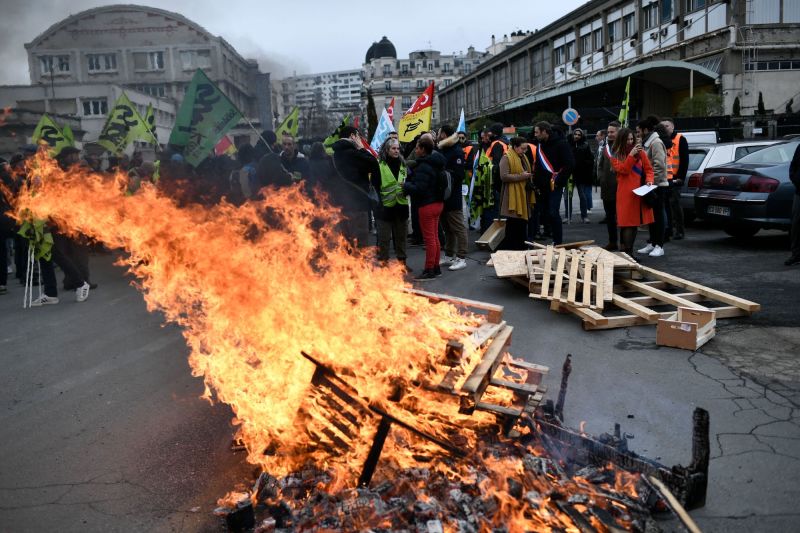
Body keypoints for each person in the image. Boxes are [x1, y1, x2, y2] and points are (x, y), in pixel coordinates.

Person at [402, 136, 446, 280]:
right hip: (438, 203)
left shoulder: (424, 166)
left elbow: (419, 188)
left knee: (429, 240)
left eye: (417, 148)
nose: (415, 150)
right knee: (434, 238)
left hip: (427, 205)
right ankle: (436, 267)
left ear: (423, 150)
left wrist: (406, 186)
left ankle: (429, 270)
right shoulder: (437, 163)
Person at [331, 126, 380, 247]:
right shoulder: (354, 153)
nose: (360, 139)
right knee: (360, 245)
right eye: (359, 136)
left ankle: (346, 266)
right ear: (353, 136)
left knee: (346, 244)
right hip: (358, 206)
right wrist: (362, 149)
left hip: (341, 206)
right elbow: (373, 163)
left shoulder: (334, 155)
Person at [609, 128, 655, 256]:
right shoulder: (615, 155)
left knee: (633, 224)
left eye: (631, 139)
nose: (630, 142)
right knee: (626, 223)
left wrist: (649, 181)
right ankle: (626, 253)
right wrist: (631, 156)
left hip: (640, 192)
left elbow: (649, 169)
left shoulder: (641, 153)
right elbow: (624, 170)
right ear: (621, 140)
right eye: (627, 139)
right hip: (625, 193)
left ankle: (628, 252)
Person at [532, 121, 575, 246]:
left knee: (553, 212)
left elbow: (570, 164)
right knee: (544, 213)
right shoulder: (539, 145)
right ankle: (548, 235)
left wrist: (559, 180)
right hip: (541, 186)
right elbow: (539, 166)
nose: (535, 135)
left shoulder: (561, 144)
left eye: (537, 132)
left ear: (545, 131)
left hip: (555, 184)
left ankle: (558, 241)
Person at [436, 125, 468, 271]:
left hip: (452, 196)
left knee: (458, 227)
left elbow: (458, 175)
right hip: (443, 195)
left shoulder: (456, 151)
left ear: (444, 134)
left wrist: (444, 176)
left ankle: (462, 257)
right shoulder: (443, 149)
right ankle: (449, 255)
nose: (437, 135)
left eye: (439, 133)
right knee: (447, 228)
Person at [635, 116, 668, 257]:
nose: (637, 134)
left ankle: (659, 246)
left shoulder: (655, 143)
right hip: (650, 185)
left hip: (657, 185)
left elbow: (659, 166)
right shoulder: (647, 142)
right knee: (651, 217)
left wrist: (650, 183)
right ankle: (652, 243)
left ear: (646, 130)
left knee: (658, 216)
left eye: (638, 131)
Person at [375, 138, 410, 269]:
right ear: (387, 150)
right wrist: (378, 205)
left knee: (401, 238)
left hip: (401, 207)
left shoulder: (403, 164)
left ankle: (402, 264)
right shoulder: (379, 165)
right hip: (384, 209)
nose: (396, 151)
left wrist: (408, 187)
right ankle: (383, 263)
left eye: (398, 149)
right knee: (384, 239)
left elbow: (409, 181)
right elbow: (375, 186)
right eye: (393, 148)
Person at [498, 137, 534, 250]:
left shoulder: (522, 157)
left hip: (522, 194)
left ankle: (521, 246)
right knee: (514, 223)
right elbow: (504, 176)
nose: (525, 151)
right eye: (522, 148)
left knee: (521, 222)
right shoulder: (506, 157)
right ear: (515, 147)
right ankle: (514, 247)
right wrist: (522, 176)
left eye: (526, 148)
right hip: (512, 195)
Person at [661, 118, 689, 240]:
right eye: (663, 126)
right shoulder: (662, 140)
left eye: (667, 125)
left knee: (675, 204)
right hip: (665, 178)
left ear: (672, 126)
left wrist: (681, 178)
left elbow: (684, 160)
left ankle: (680, 230)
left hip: (676, 178)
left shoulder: (680, 139)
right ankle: (669, 230)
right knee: (666, 205)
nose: (665, 128)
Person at [480, 123, 508, 233]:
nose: (488, 135)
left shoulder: (496, 144)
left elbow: (496, 165)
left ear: (494, 133)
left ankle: (493, 234)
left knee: (494, 210)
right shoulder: (503, 143)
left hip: (494, 182)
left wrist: (494, 183)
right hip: (498, 181)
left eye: (490, 133)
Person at [597, 122, 620, 250]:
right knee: (610, 217)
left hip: (620, 187)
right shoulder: (605, 147)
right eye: (608, 132)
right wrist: (601, 177)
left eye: (612, 132)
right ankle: (612, 242)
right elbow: (600, 165)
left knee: (621, 218)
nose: (609, 134)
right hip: (606, 188)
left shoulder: (623, 147)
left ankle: (624, 244)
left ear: (618, 132)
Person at [571, 128, 595, 223]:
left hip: (581, 174)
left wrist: (582, 165)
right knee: (567, 196)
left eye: (579, 134)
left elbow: (590, 160)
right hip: (570, 174)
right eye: (575, 134)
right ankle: (567, 216)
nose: (576, 136)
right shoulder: (568, 144)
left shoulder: (585, 145)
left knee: (583, 196)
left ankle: (584, 216)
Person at [786, 144, 800, 266]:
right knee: (796, 225)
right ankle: (796, 255)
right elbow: (793, 166)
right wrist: (795, 179)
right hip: (799, 192)